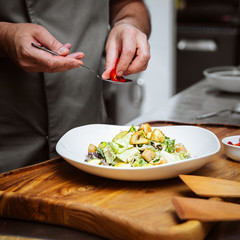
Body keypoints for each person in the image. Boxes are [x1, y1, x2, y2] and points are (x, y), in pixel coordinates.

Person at [0, 0, 151, 173]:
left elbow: (128, 4)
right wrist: (5, 37)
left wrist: (128, 22)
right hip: (8, 150)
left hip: (87, 144)